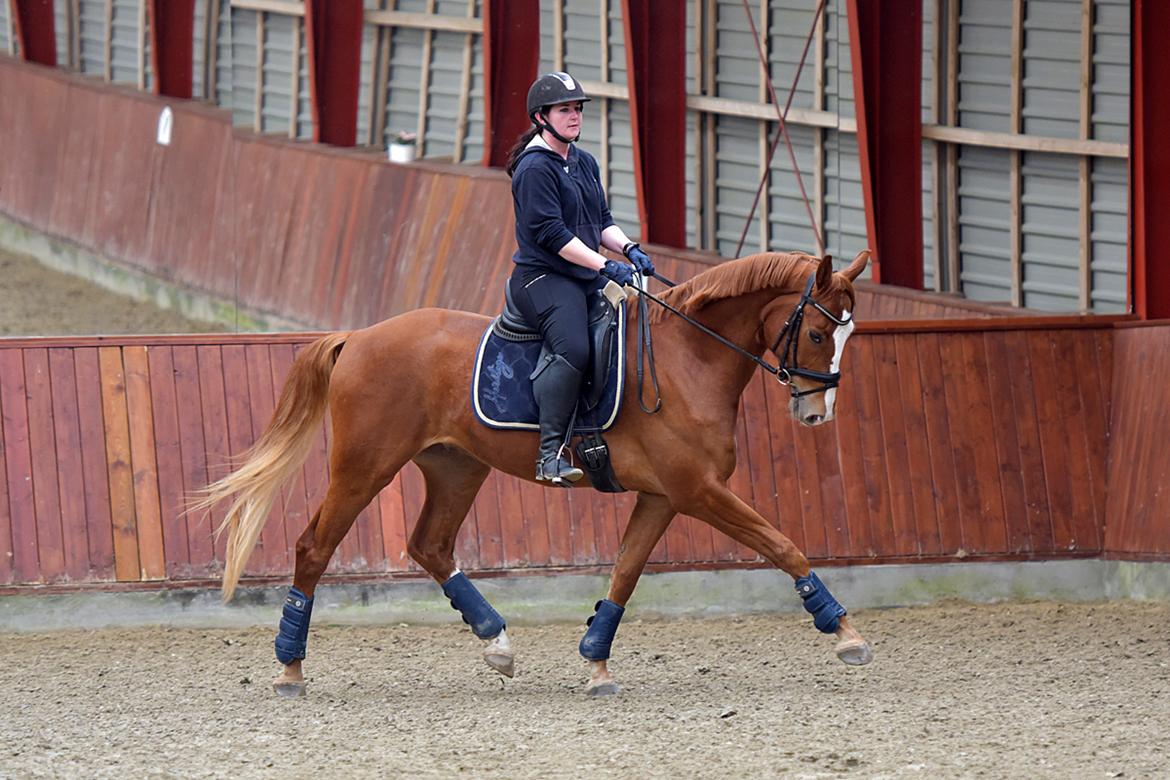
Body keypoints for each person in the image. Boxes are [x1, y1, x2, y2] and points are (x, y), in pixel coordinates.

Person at [505, 71, 655, 486]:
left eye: (577, 109)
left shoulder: (583, 162)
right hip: (543, 278)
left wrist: (628, 249)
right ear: (541, 117)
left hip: (582, 273)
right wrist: (604, 266)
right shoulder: (535, 169)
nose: (575, 117)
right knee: (573, 347)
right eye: (565, 110)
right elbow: (553, 236)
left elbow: (600, 221)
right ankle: (549, 454)